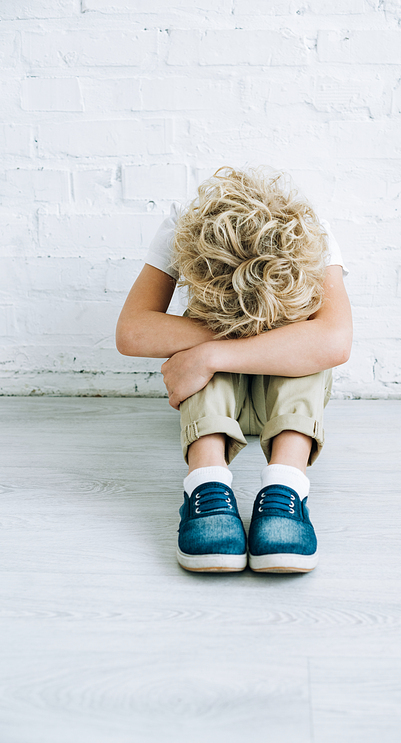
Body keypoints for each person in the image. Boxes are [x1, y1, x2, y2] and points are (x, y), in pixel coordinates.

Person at [116, 167, 352, 574]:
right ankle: (207, 477)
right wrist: (223, 339)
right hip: (214, 408)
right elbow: (132, 331)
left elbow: (335, 341)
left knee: (309, 336)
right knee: (207, 328)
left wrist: (211, 355)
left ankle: (286, 482)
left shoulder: (310, 231)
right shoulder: (183, 223)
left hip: (287, 404)